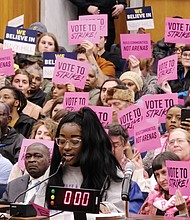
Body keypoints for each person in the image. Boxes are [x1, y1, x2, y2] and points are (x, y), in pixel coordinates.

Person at [46, 107, 144, 218]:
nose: (66, 147)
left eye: (74, 142)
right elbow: (40, 210)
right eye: (62, 141)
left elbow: (120, 210)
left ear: (90, 142)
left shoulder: (109, 171)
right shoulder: (53, 171)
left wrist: (105, 207)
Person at [139, 152, 190, 217]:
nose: (161, 179)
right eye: (157, 174)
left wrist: (183, 210)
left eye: (164, 172)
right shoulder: (153, 197)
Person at [8, 118, 57, 183]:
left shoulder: (58, 165)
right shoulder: (19, 166)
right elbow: (11, 187)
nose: (41, 137)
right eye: (39, 133)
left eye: (47, 134)